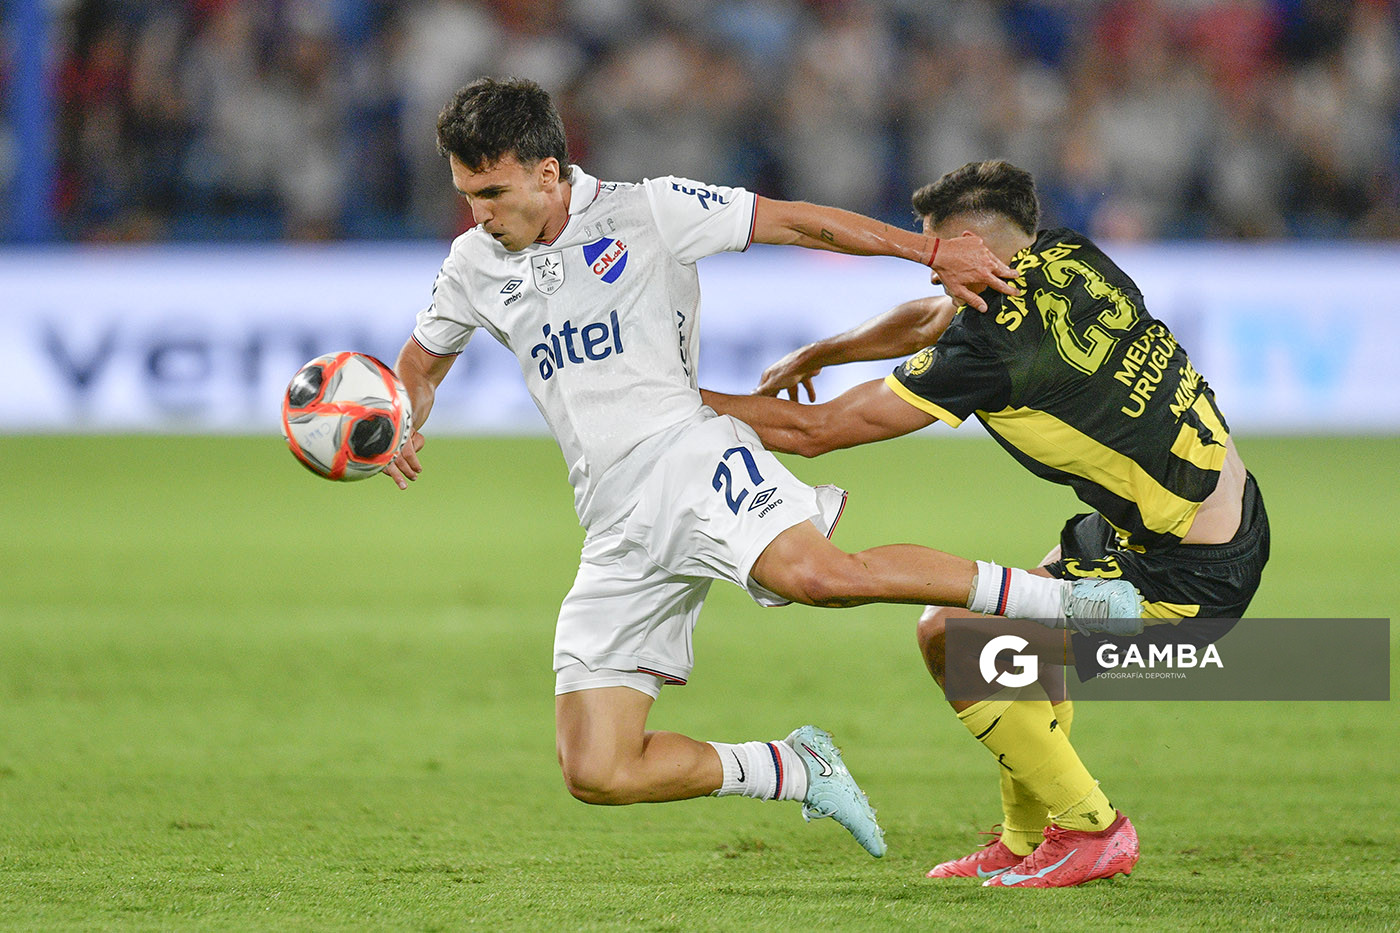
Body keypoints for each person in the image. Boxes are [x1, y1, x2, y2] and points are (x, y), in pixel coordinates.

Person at [383, 80, 1141, 860]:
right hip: (612, 516)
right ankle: (792, 766)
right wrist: (400, 414)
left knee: (819, 576)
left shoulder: (650, 210)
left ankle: (1063, 600)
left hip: (689, 455)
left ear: (547, 173)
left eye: (492, 192)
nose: (477, 212)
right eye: (466, 193)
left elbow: (801, 222)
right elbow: (419, 365)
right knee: (597, 767)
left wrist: (932, 250)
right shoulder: (473, 263)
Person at [702, 159, 1269, 885]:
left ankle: (1093, 828)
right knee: (1017, 647)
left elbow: (816, 432)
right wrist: (823, 351)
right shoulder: (1068, 255)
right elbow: (933, 317)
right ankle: (1030, 836)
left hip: (1188, 574)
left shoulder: (993, 345)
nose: (935, 276)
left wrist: (666, 400)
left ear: (970, 243)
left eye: (941, 259)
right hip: (1207, 519)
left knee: (954, 637)